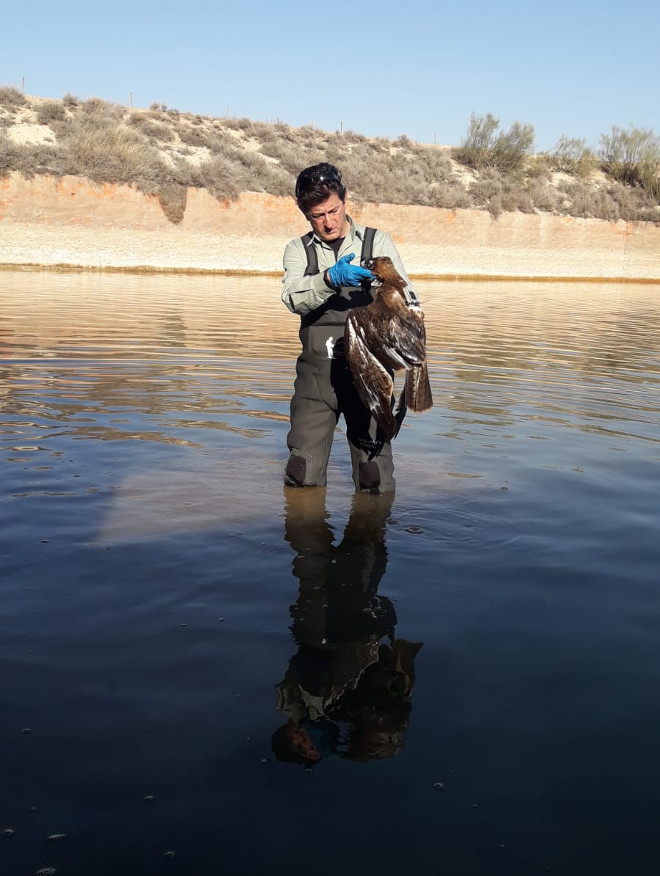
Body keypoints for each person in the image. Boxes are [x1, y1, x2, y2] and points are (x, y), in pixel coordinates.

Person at [281, 163, 419, 493]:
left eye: (333, 210)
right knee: (301, 474)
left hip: (371, 378)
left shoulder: (377, 242)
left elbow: (409, 300)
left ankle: (372, 525)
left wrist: (389, 297)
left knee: (374, 479)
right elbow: (292, 298)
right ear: (305, 214)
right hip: (316, 380)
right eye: (317, 216)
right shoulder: (297, 250)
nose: (328, 222)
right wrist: (329, 279)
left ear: (345, 200)